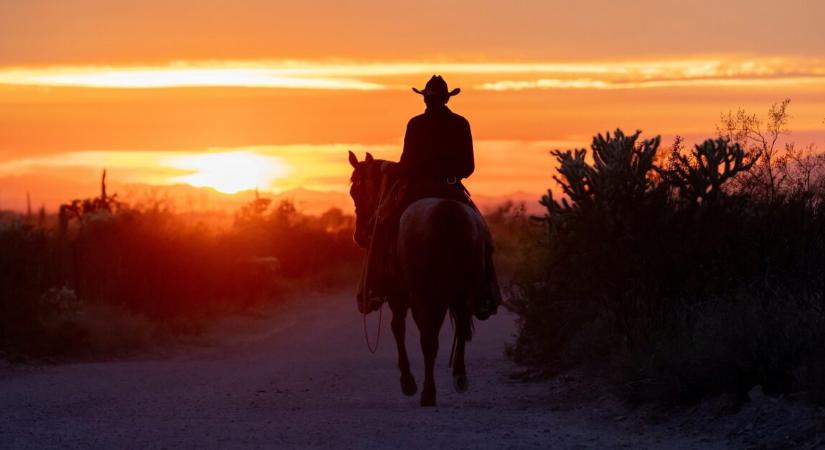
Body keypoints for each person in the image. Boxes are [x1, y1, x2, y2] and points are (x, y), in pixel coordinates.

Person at [360, 75, 501, 319]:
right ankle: (486, 292)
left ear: (425, 99)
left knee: (382, 226)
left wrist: (388, 168)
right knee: (483, 233)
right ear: (447, 99)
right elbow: (468, 167)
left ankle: (374, 288)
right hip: (451, 188)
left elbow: (407, 164)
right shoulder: (461, 123)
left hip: (418, 189)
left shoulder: (415, 124)